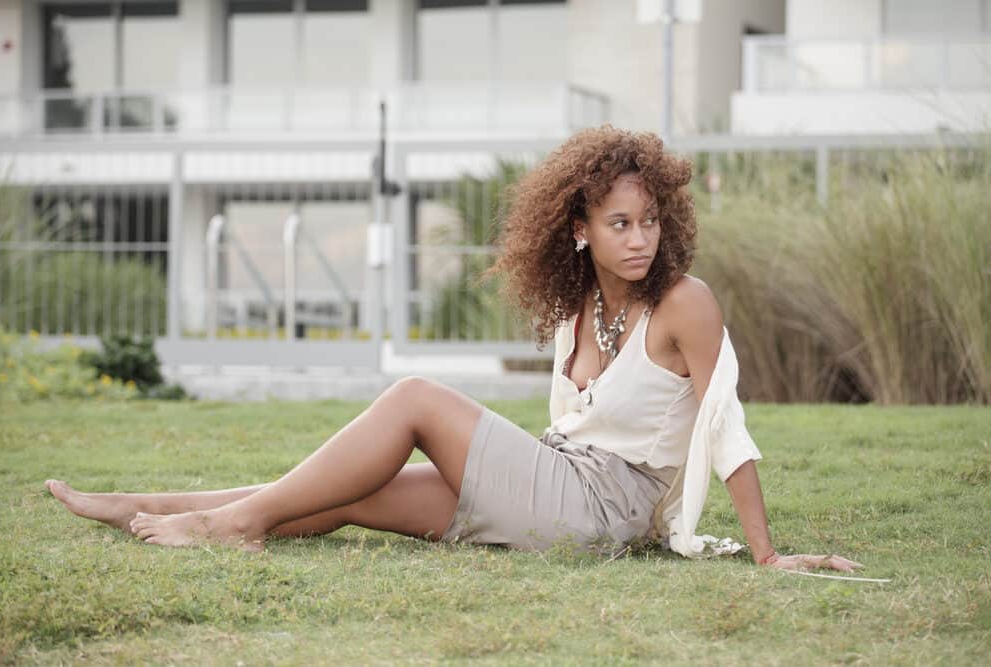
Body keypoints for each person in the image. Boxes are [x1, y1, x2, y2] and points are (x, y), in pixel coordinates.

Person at [46, 126, 860, 572]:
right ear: (578, 231)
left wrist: (767, 553)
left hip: (607, 508)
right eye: (620, 223)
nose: (641, 238)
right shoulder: (577, 307)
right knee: (355, 489)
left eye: (650, 221)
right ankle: (150, 509)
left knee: (413, 399)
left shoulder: (685, 304)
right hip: (559, 482)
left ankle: (230, 526)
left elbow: (726, 424)